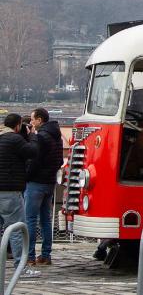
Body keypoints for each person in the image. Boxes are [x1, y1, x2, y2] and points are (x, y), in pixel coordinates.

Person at [0, 114, 41, 277]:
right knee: (17, 230)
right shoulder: (15, 140)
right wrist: (32, 135)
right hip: (10, 192)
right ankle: (20, 268)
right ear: (18, 126)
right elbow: (33, 152)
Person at [24, 107, 64, 266]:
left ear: (40, 120)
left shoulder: (41, 137)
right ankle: (46, 255)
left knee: (30, 220)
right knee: (46, 220)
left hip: (36, 182)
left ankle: (30, 256)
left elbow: (34, 160)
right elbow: (60, 161)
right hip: (50, 182)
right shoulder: (57, 137)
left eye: (33, 119)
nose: (31, 122)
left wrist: (27, 175)